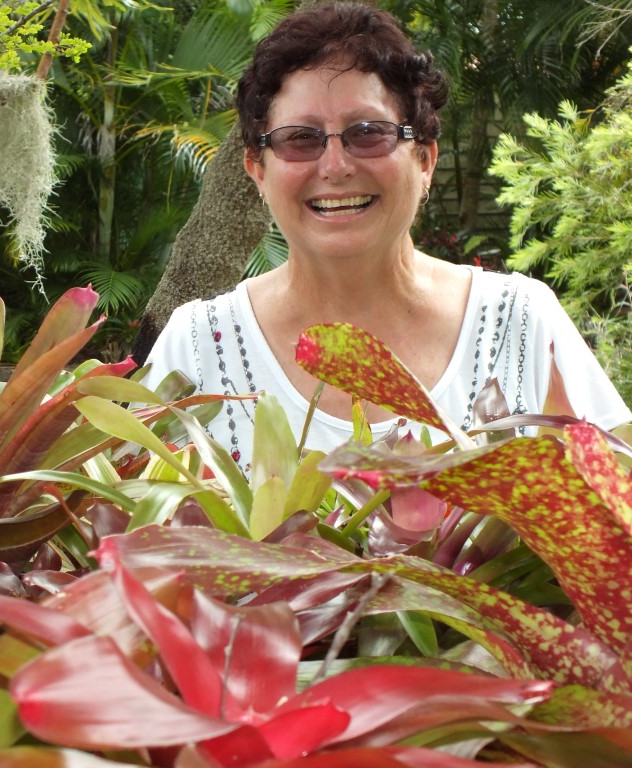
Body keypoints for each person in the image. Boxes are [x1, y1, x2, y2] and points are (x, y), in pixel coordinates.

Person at [141, 0, 631, 473]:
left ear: (425, 159)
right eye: (300, 139)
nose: (335, 167)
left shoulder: (518, 323)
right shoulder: (200, 346)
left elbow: (617, 510)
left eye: (369, 132)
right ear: (257, 171)